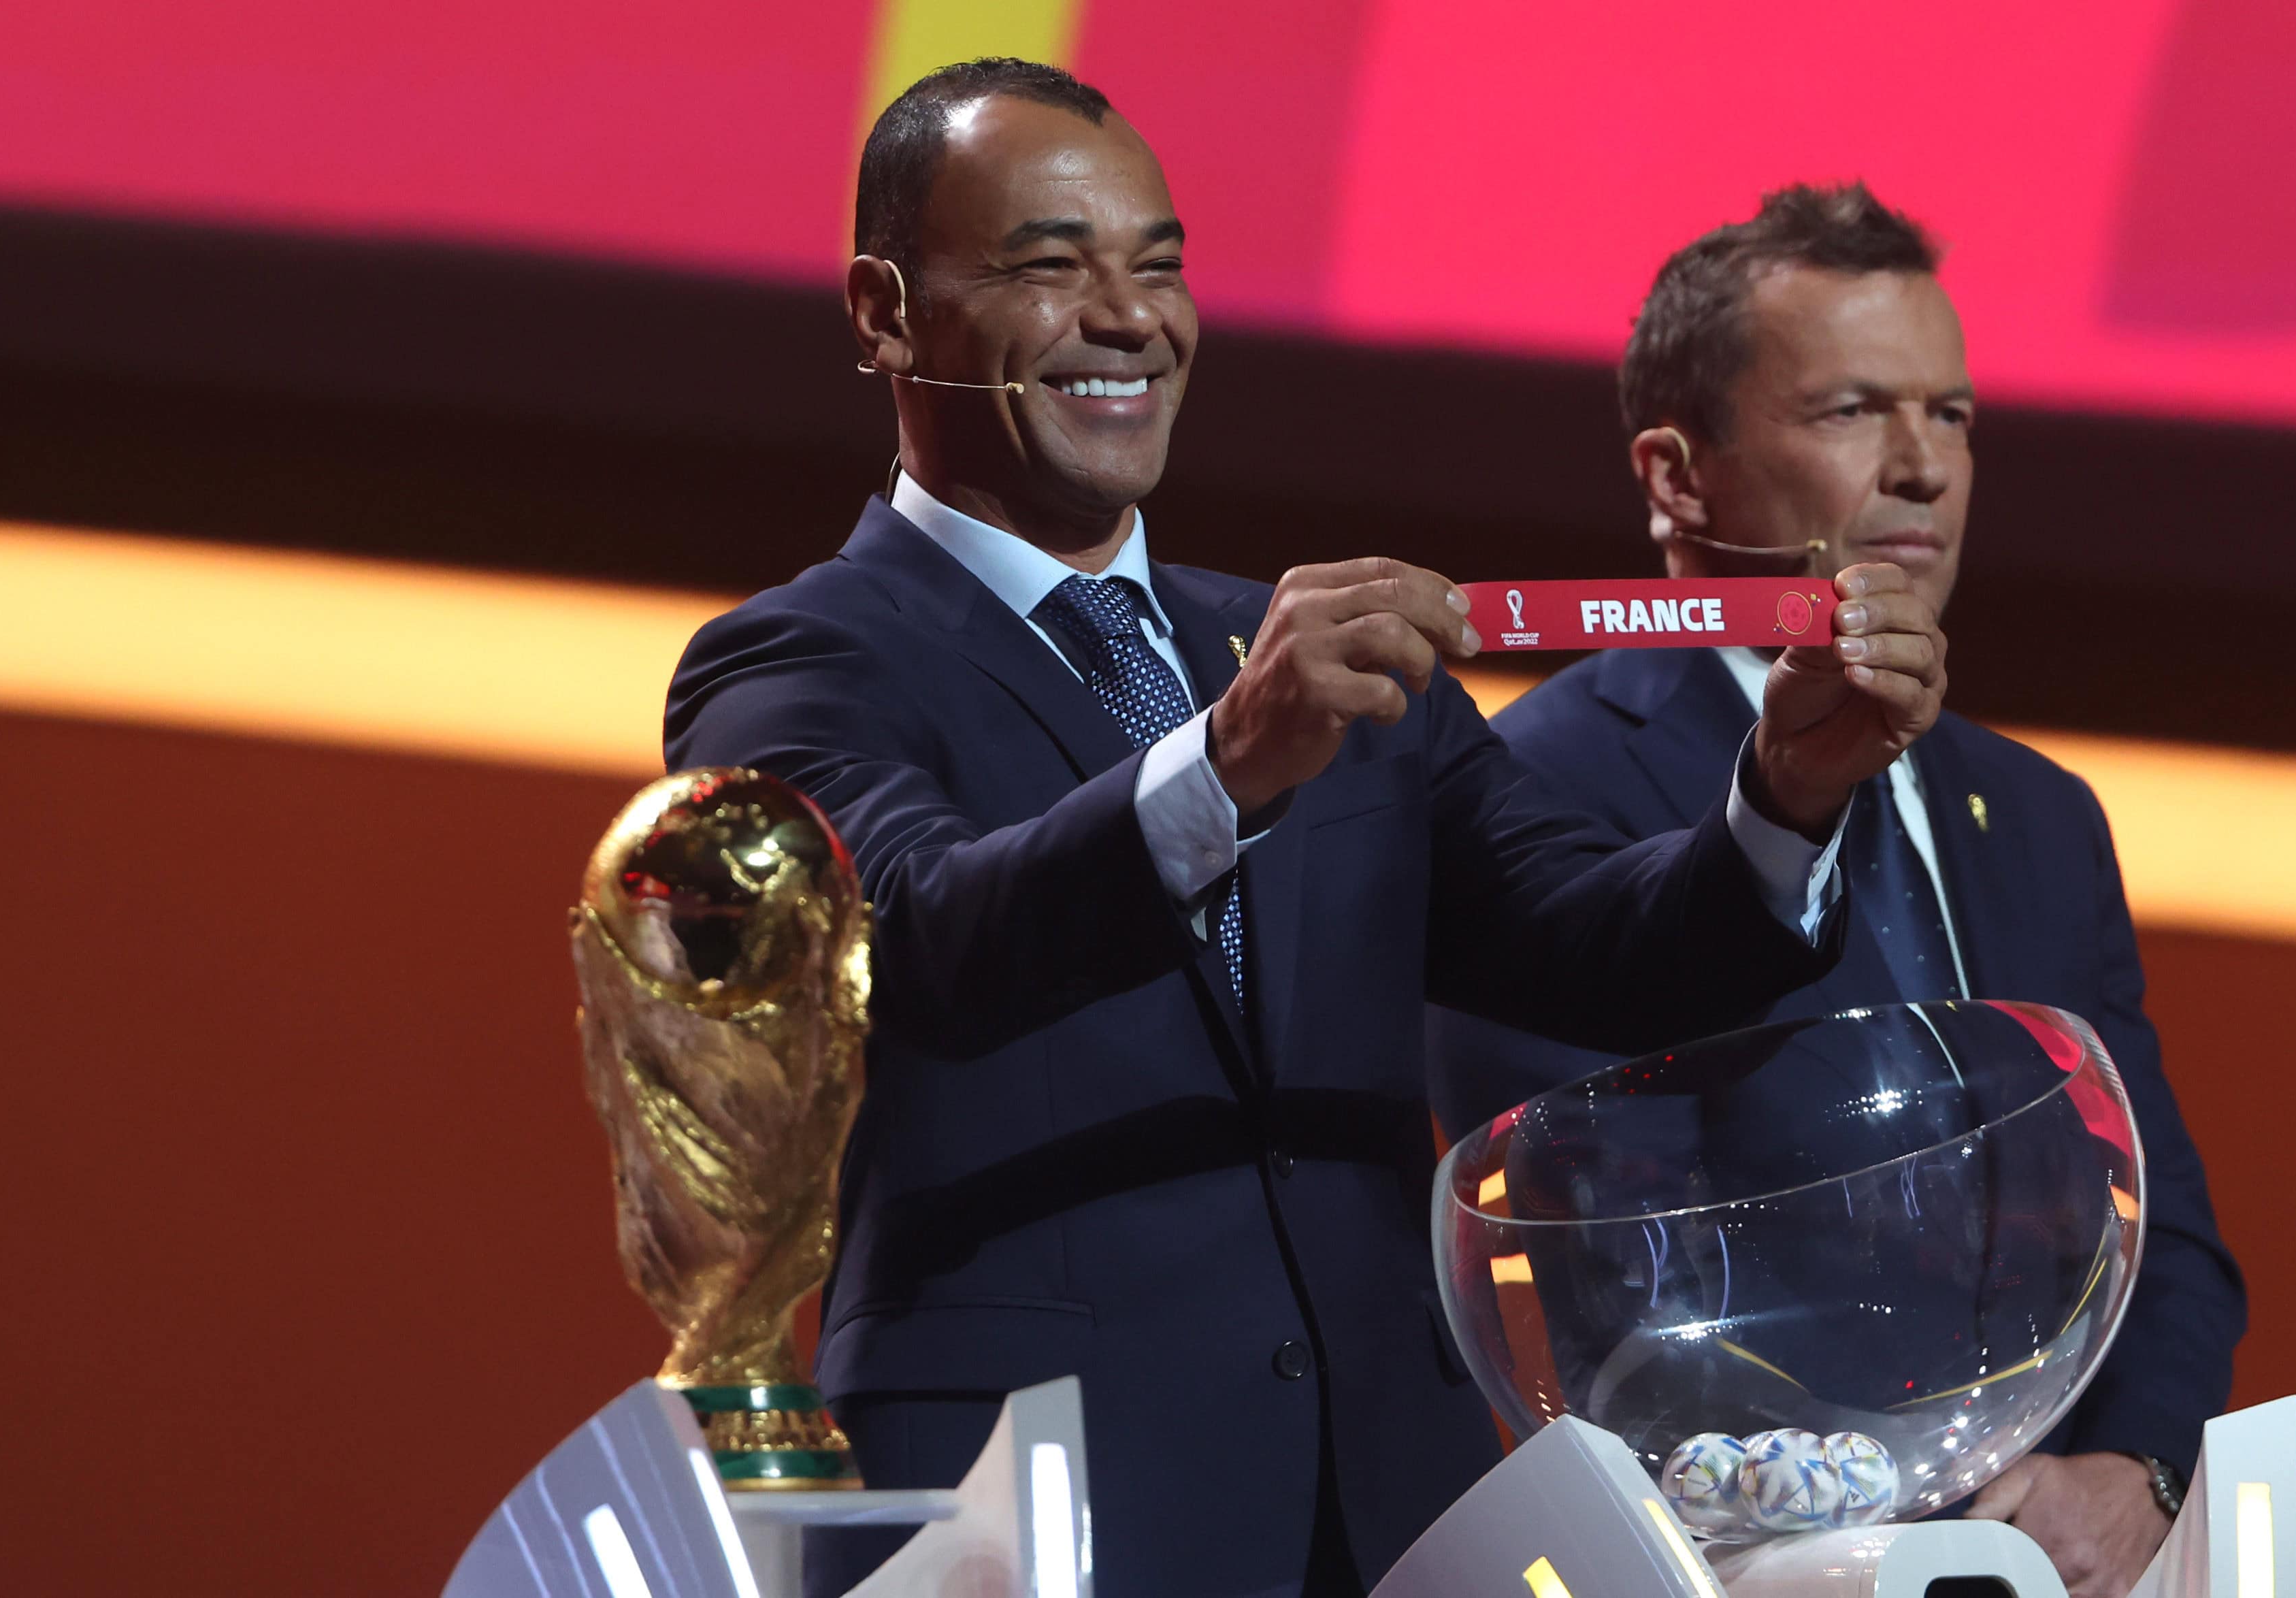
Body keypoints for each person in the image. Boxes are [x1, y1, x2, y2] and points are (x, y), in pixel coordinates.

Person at [663, 64, 1951, 1598]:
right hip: (1028, 1512)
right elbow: (918, 944)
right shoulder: (796, 662)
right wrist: (1224, 765)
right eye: (1049, 265)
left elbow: (1597, 950)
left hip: (1388, 1512)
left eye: (1158, 265)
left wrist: (1787, 793)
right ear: (884, 311)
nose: (1131, 316)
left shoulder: (1292, 646)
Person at [1425, 184, 2247, 1598]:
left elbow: (2159, 1222)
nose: (1923, 466)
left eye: (1953, 414)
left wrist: (2139, 1473)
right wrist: (1880, 1515)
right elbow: (1584, 1263)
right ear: (1679, 476)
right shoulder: (1537, 784)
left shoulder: (2041, 815)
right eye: (1856, 410)